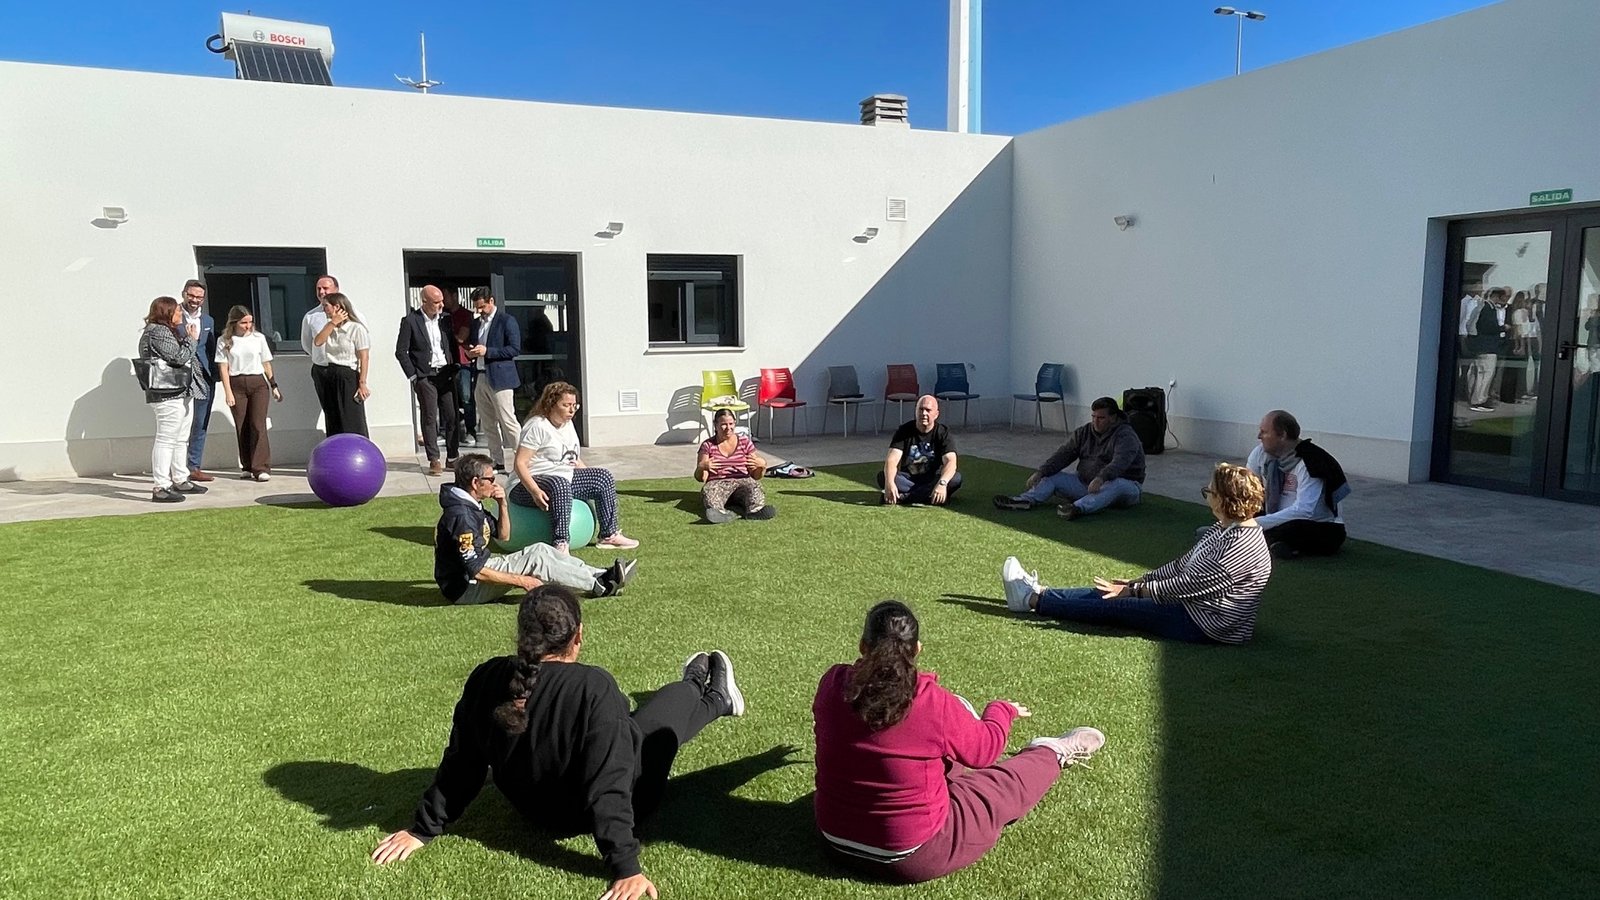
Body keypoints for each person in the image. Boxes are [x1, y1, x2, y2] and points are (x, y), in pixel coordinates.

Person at [372, 585, 745, 900]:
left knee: (629, 726)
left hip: (534, 810)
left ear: (522, 635)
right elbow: (610, 783)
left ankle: (716, 697)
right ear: (578, 635)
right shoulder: (593, 687)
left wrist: (423, 829)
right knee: (659, 720)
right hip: (614, 803)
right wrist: (625, 867)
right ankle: (701, 689)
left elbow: (462, 762)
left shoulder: (486, 676)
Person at [812, 600, 1104, 884]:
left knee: (930, 758)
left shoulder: (832, 683)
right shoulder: (930, 702)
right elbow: (986, 751)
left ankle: (960, 731)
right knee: (996, 788)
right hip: (912, 855)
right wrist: (1002, 710)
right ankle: (1052, 751)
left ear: (863, 646)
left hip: (833, 841)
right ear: (916, 649)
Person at [1001, 462, 1272, 644]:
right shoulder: (1224, 528)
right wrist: (1138, 582)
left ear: (1224, 499)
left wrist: (1136, 591)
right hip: (1195, 609)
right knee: (1111, 593)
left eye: (1209, 491)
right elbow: (1183, 565)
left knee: (1118, 604)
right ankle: (1042, 593)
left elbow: (1189, 585)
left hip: (1205, 623)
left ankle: (1032, 600)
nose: (1207, 496)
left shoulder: (1240, 546)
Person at [436, 454, 637, 604]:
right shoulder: (462, 516)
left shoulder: (470, 504)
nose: (495, 483)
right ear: (475, 482)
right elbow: (477, 571)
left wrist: (502, 504)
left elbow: (503, 536)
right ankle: (600, 584)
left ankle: (600, 575)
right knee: (537, 560)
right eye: (491, 479)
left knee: (539, 550)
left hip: (477, 572)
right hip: (466, 589)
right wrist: (523, 581)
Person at [510, 382, 641, 552]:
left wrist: (591, 480)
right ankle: (560, 542)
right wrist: (535, 491)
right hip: (527, 485)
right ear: (551, 404)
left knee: (603, 477)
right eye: (566, 405)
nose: (571, 410)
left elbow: (573, 458)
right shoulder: (537, 426)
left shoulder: (568, 424)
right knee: (560, 484)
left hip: (563, 480)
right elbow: (520, 463)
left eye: (574, 405)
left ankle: (609, 534)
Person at [993, 395, 1145, 520]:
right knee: (1052, 477)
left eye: (1101, 418)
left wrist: (1101, 478)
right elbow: (1064, 454)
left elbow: (1120, 462)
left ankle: (1077, 508)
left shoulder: (1126, 435)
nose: (1095, 422)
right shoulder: (1084, 432)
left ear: (1113, 418)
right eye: (1093, 417)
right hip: (1086, 484)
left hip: (1125, 487)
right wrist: (1042, 472)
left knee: (1116, 484)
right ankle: (1024, 500)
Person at [1247, 410, 1350, 559]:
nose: (1259, 436)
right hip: (1277, 519)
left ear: (1282, 435)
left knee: (1294, 529)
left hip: (1316, 525)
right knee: (1240, 515)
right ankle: (1273, 543)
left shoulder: (1310, 461)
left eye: (1264, 432)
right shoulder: (1260, 454)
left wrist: (1256, 523)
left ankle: (1260, 540)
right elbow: (1247, 491)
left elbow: (1304, 510)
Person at [137, 296, 209, 503]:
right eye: (177, 311)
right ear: (167, 313)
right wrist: (192, 339)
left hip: (180, 391)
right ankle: (161, 486)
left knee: (180, 438)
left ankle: (180, 478)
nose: (181, 315)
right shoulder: (158, 331)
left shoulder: (166, 331)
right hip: (168, 393)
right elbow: (178, 357)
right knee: (166, 438)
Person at [397, 285, 460, 476]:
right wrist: (414, 376)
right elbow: (401, 351)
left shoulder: (445, 319)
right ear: (424, 302)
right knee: (430, 417)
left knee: (452, 415)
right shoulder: (411, 321)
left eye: (442, 301)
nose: (441, 305)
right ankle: (434, 459)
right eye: (436, 302)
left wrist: (456, 365)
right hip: (425, 376)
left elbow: (452, 344)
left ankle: (452, 457)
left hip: (445, 373)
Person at [215, 305, 282, 481]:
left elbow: (266, 363)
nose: (248, 326)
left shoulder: (258, 338)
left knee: (258, 424)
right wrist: (228, 392)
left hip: (257, 383)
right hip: (236, 383)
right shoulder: (224, 340)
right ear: (234, 323)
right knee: (241, 424)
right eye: (244, 322)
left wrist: (274, 385)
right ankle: (247, 465)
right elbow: (223, 367)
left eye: (250, 322)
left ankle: (261, 467)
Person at [466, 287, 521, 471]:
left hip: (501, 378)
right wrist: (471, 352)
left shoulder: (506, 320)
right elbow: (474, 345)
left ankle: (524, 461)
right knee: (488, 424)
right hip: (480, 375)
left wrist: (488, 351)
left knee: (508, 421)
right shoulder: (476, 324)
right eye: (476, 307)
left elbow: (514, 349)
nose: (479, 311)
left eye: (482, 307)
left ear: (491, 301)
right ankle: (497, 461)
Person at [695, 407, 776, 523]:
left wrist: (762, 467)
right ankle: (718, 513)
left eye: (731, 424)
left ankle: (755, 511)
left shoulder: (745, 442)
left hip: (742, 482)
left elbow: (756, 476)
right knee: (709, 491)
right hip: (718, 483)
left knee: (755, 487)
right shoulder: (708, 445)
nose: (728, 428)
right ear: (715, 425)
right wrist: (701, 467)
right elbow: (701, 478)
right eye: (723, 424)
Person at [878, 395, 962, 505]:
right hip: (908, 479)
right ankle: (929, 497)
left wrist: (942, 484)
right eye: (921, 409)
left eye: (928, 410)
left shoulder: (943, 433)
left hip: (932, 479)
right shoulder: (904, 431)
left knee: (955, 479)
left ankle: (904, 497)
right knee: (883, 477)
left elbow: (951, 461)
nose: (924, 413)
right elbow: (892, 460)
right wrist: (889, 483)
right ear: (915, 411)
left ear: (936, 414)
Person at [311, 291, 371, 437]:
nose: (324, 310)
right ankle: (336, 446)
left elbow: (364, 357)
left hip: (347, 374)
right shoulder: (329, 327)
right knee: (333, 416)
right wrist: (332, 323)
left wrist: (362, 383)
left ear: (336, 307)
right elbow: (318, 342)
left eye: (326, 306)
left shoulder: (356, 328)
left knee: (350, 416)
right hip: (330, 373)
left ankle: (356, 445)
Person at [179, 279, 219, 483]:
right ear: (184, 294)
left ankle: (193, 466)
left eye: (199, 297)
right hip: (180, 376)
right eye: (191, 295)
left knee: (200, 422)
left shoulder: (208, 320)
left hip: (204, 377)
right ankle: (177, 468)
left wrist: (216, 374)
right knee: (179, 422)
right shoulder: (173, 316)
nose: (195, 300)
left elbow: (211, 349)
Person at [300, 275, 343, 434]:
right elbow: (307, 343)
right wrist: (320, 356)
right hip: (322, 370)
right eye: (318, 289)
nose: (321, 292)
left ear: (336, 289)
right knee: (330, 413)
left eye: (325, 288)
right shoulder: (311, 316)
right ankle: (333, 445)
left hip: (345, 370)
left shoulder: (352, 313)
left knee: (348, 413)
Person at [444, 289, 477, 445]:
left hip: (464, 363)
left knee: (466, 398)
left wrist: (446, 335)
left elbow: (462, 337)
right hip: (447, 363)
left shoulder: (465, 315)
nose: (443, 301)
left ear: (455, 296)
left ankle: (471, 431)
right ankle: (451, 430)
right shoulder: (442, 315)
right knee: (448, 398)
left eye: (445, 296)